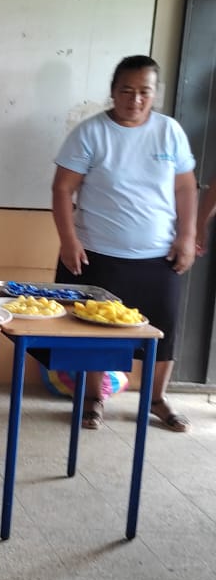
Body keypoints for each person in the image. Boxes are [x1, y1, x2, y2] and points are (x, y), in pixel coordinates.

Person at [52, 54, 196, 432]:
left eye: (144, 91)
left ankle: (156, 398)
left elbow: (185, 187)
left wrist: (187, 236)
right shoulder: (90, 133)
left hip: (159, 255)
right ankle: (93, 397)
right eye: (127, 91)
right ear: (113, 92)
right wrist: (68, 240)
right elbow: (63, 188)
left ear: (155, 93)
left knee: (163, 331)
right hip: (98, 253)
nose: (135, 100)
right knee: (96, 332)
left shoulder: (169, 131)